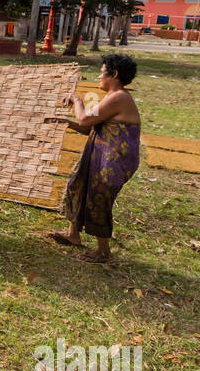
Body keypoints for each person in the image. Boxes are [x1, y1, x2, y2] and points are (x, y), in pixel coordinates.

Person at [49, 53, 141, 264]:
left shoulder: (119, 97)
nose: (99, 78)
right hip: (101, 153)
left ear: (114, 74)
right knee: (77, 185)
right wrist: (65, 122)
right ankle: (73, 234)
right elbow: (89, 127)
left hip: (115, 160)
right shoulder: (112, 97)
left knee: (99, 197)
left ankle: (103, 251)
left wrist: (77, 100)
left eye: (101, 73)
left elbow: (83, 118)